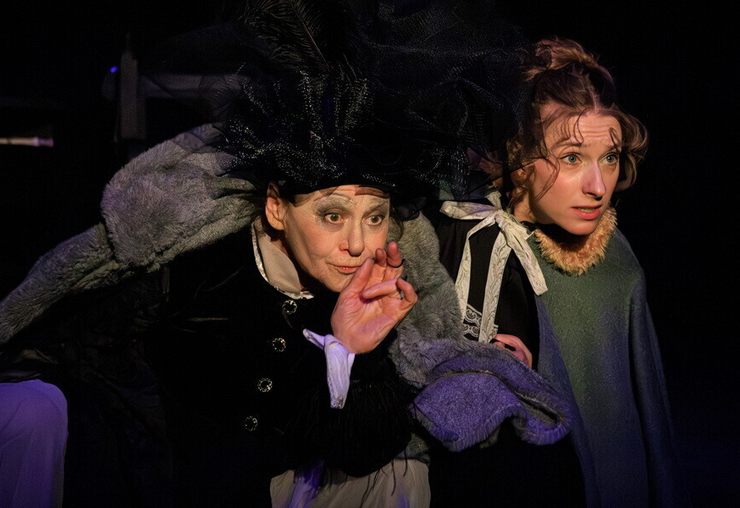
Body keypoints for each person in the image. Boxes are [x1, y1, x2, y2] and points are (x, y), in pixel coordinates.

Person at [0, 4, 574, 505]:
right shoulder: (196, 267)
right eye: (332, 215)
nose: (357, 244)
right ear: (277, 208)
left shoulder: (374, 290)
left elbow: (362, 445)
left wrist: (350, 352)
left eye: (374, 217)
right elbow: (105, 383)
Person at [428, 37, 688, 507]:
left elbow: (644, 419)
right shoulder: (473, 247)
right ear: (518, 157)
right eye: (571, 158)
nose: (598, 186)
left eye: (609, 158)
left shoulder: (616, 257)